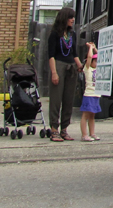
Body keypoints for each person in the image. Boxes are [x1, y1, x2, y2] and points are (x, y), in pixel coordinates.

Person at [47, 7, 82, 142]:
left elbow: (74, 53)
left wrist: (79, 66)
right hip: (59, 66)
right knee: (56, 99)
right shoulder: (54, 34)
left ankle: (64, 129)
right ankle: (54, 129)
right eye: (70, 17)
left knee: (68, 100)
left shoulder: (72, 34)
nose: (73, 20)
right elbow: (51, 55)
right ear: (64, 18)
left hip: (71, 68)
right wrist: (54, 73)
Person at [79, 41, 101, 142]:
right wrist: (90, 48)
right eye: (95, 61)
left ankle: (92, 133)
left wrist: (95, 48)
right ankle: (84, 135)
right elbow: (89, 58)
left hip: (96, 95)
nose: (97, 63)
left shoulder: (98, 69)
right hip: (89, 95)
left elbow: (101, 56)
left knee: (92, 116)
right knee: (86, 115)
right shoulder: (87, 69)